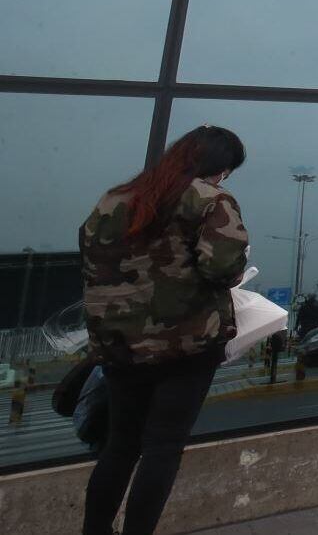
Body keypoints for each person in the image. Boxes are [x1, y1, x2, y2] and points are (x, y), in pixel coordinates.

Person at [80, 125, 249, 535]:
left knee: (120, 446)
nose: (224, 178)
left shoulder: (115, 200)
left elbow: (91, 262)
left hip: (120, 345)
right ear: (218, 167)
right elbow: (222, 269)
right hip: (184, 342)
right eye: (226, 170)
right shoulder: (209, 200)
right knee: (163, 446)